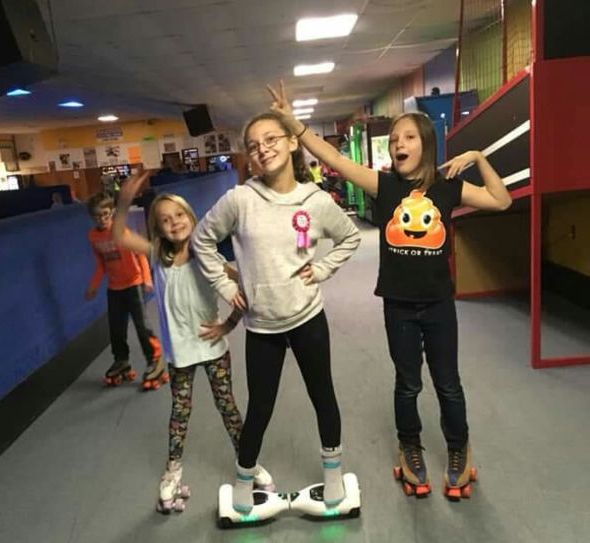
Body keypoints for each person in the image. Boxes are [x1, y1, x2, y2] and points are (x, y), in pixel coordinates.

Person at [267, 80, 512, 499]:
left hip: (438, 304)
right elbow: (333, 158)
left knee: (448, 383)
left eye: (408, 137)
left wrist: (477, 156)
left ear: (426, 144)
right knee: (408, 383)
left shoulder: (448, 186)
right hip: (398, 305)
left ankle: (459, 448)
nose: (399, 144)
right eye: (395, 139)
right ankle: (409, 446)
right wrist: (294, 124)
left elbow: (501, 200)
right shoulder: (384, 185)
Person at [191, 112, 361, 514]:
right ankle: (243, 479)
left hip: (308, 319)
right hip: (262, 327)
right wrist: (227, 288)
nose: (262, 149)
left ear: (291, 142)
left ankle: (333, 473)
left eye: (270, 139)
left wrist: (322, 268)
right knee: (260, 407)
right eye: (253, 146)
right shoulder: (240, 200)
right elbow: (202, 240)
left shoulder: (315, 201)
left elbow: (350, 236)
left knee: (323, 395)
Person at [111, 174, 274, 513]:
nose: (174, 223)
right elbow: (119, 235)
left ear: (191, 217)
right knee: (180, 412)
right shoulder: (157, 255)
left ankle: (248, 463)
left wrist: (228, 324)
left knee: (228, 407)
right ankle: (172, 472)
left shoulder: (208, 258)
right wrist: (124, 201)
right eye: (165, 220)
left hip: (213, 349)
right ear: (157, 229)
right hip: (180, 354)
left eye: (179, 215)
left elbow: (243, 288)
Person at [85, 192, 167, 390]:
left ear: (112, 212)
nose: (102, 219)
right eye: (97, 216)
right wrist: (94, 284)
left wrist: (147, 279)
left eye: (105, 214)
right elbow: (101, 263)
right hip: (114, 288)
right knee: (116, 328)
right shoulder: (93, 236)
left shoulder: (121, 232)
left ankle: (154, 359)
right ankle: (121, 360)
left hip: (133, 284)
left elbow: (140, 256)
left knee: (142, 325)